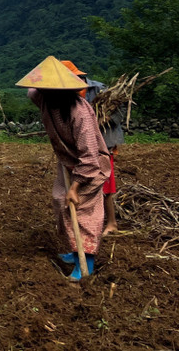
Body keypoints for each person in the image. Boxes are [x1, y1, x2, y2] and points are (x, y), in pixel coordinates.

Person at [18, 56, 111, 280]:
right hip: (67, 162)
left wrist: (75, 188)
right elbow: (32, 89)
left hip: (90, 169)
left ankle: (85, 262)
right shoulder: (43, 98)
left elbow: (89, 158)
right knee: (61, 202)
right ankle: (73, 250)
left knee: (83, 212)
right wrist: (48, 70)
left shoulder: (79, 113)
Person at [60, 60, 123, 235]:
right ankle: (82, 229)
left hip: (103, 144)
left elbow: (118, 114)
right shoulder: (66, 95)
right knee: (82, 186)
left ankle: (111, 223)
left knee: (105, 185)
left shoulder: (98, 90)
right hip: (80, 147)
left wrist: (97, 122)